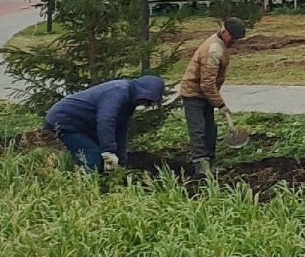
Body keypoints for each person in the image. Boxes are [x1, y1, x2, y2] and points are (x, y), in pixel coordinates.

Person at [43, 74, 167, 173]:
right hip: (63, 119)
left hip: (82, 122)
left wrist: (121, 160)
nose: (144, 104)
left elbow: (120, 129)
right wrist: (109, 151)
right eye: (145, 100)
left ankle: (98, 183)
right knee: (92, 154)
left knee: (98, 155)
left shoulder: (129, 102)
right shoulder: (119, 90)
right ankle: (87, 190)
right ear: (143, 91)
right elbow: (106, 119)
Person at [179, 17, 247, 174]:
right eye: (233, 38)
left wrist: (215, 101)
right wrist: (221, 105)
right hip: (193, 94)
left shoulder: (220, 43)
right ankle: (201, 167)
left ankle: (210, 162)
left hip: (205, 95)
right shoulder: (213, 50)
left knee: (210, 129)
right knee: (199, 131)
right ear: (224, 32)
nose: (234, 42)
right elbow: (207, 84)